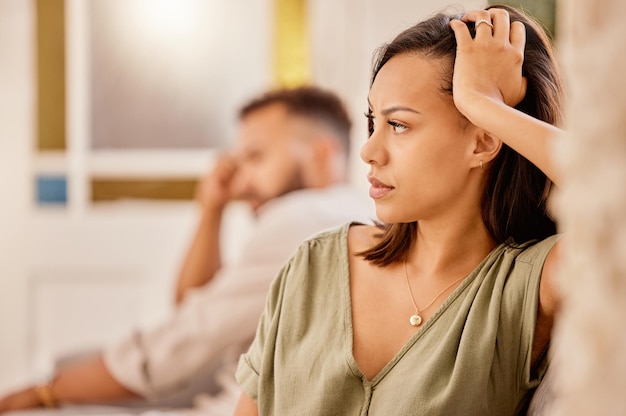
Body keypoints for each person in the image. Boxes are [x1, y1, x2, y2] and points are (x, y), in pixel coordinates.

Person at [233, 5, 564, 416]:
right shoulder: (312, 266)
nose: (369, 151)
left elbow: (613, 200)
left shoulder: (526, 288)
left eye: (400, 125)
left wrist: (486, 107)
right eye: (374, 121)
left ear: (482, 142)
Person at [0, 86, 373, 414]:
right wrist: (211, 208)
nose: (241, 182)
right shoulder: (357, 214)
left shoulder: (299, 221)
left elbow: (176, 346)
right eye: (237, 164)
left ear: (322, 156)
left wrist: (43, 393)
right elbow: (196, 310)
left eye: (256, 157)